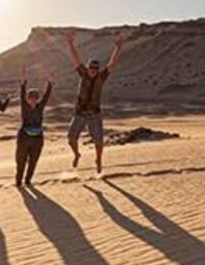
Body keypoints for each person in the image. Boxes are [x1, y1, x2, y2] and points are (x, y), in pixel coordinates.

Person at [62, 30, 126, 174]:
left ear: (98, 70)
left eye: (95, 68)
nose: (93, 70)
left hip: (94, 114)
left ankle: (98, 160)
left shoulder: (102, 77)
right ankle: (77, 154)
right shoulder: (83, 73)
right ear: (88, 67)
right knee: (71, 138)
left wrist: (118, 47)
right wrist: (70, 43)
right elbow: (75, 59)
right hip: (80, 112)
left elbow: (112, 63)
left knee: (99, 141)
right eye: (91, 67)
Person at [15, 62, 54, 187]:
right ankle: (18, 181)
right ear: (27, 98)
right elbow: (22, 93)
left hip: (37, 138)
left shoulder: (40, 106)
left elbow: (46, 96)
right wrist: (23, 82)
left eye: (35, 98)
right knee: (20, 161)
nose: (33, 100)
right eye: (30, 97)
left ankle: (28, 180)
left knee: (33, 161)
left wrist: (50, 84)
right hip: (24, 138)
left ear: (37, 99)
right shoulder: (24, 106)